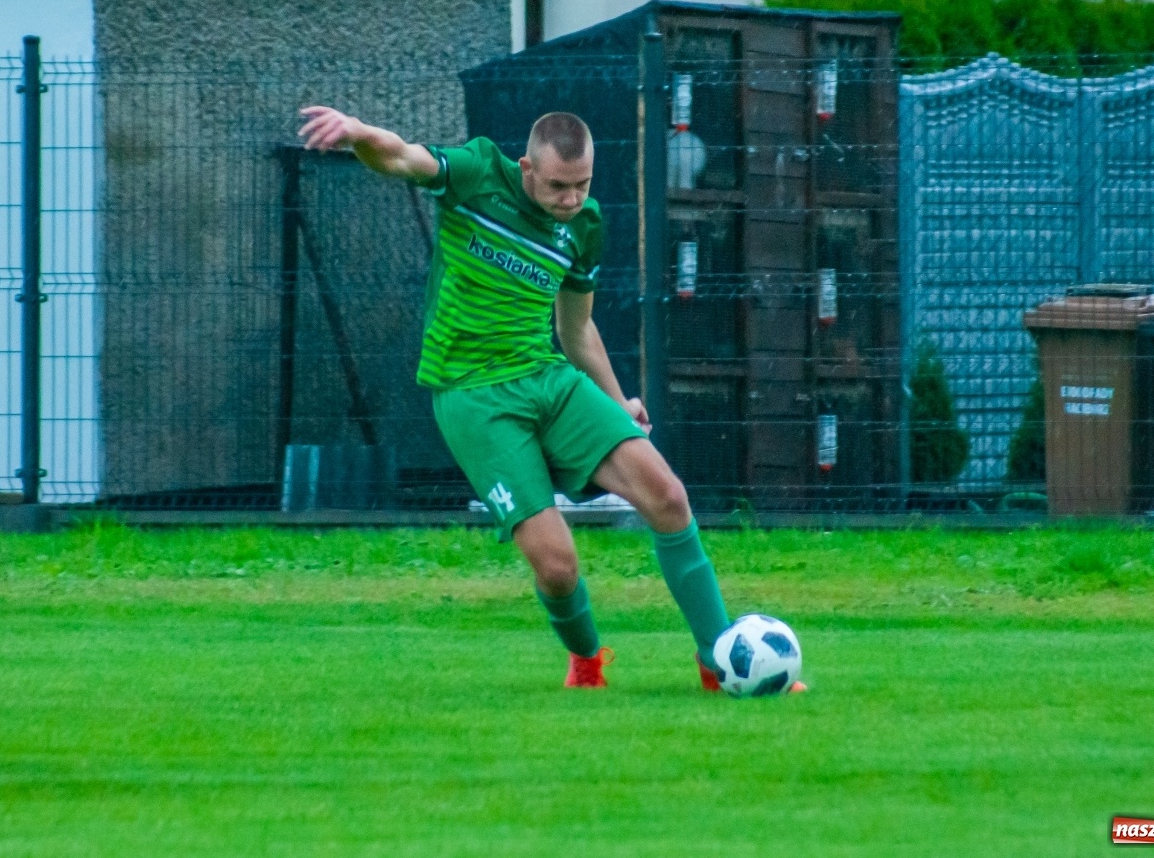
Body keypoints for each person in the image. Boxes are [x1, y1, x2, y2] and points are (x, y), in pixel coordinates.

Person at [298, 105, 798, 692]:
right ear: (526, 168)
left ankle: (718, 660)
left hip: (547, 377)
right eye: (559, 186)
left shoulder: (584, 224)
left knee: (667, 496)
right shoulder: (478, 174)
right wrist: (357, 134)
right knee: (557, 568)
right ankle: (586, 664)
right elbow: (402, 155)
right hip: (472, 395)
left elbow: (577, 328)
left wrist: (618, 405)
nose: (570, 199)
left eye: (582, 185)